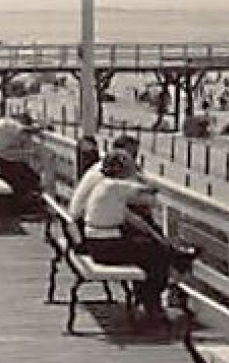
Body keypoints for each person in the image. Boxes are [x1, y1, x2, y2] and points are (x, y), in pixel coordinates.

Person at [80, 150, 183, 323]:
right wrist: (138, 175)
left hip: (96, 243)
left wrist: (159, 239)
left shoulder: (105, 186)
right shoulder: (116, 186)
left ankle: (149, 299)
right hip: (105, 246)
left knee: (153, 249)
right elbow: (151, 192)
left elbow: (133, 219)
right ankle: (152, 303)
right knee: (156, 255)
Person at [68, 133, 141, 223]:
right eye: (132, 155)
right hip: (83, 219)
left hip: (80, 214)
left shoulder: (103, 165)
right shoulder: (110, 172)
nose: (133, 159)